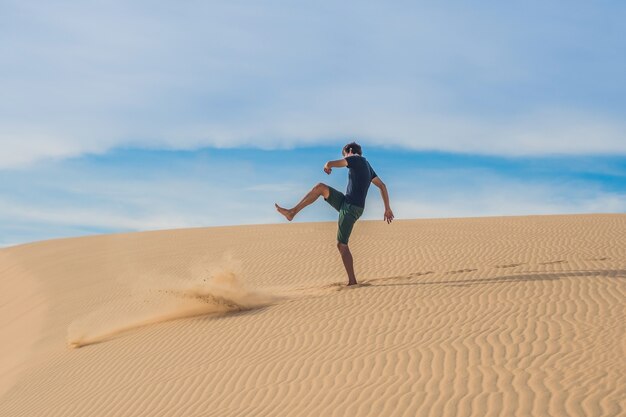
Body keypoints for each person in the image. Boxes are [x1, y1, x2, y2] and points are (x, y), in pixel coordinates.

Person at [275, 142, 394, 286]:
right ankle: (292, 212)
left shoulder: (355, 159)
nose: (345, 158)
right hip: (347, 202)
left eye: (344, 155)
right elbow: (382, 185)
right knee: (320, 188)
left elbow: (331, 163)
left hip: (351, 207)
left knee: (341, 244)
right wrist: (387, 208)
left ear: (349, 151)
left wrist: (327, 166)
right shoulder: (367, 166)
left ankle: (352, 282)